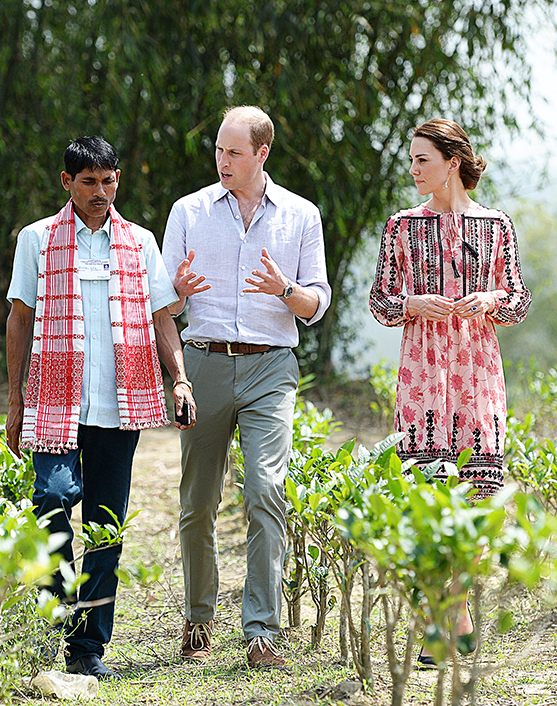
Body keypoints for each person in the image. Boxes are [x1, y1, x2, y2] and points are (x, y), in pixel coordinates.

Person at [5, 136, 196, 680]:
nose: (101, 192)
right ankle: (51, 626)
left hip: (120, 405)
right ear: (66, 182)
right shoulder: (37, 240)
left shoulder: (139, 242)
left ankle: (88, 647)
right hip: (53, 400)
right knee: (54, 500)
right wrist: (14, 400)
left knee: (107, 526)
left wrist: (178, 379)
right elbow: (19, 318)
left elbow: (162, 316)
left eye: (109, 181)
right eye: (89, 182)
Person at [161, 105, 331, 670]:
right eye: (217, 150)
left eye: (234, 152)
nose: (222, 161)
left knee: (265, 489)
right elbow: (165, 307)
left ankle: (261, 630)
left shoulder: (302, 217)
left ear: (262, 153)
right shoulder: (187, 212)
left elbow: (315, 306)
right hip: (205, 363)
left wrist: (286, 289)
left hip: (270, 368)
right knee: (198, 502)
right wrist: (179, 292)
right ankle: (198, 618)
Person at [369, 117, 531, 665]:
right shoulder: (400, 227)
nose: (413, 169)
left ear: (452, 162)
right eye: (412, 160)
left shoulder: (497, 225)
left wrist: (490, 300)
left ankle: (453, 613)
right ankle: (444, 623)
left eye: (422, 160)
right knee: (425, 492)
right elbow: (381, 301)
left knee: (476, 492)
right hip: (422, 371)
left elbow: (519, 301)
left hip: (476, 371)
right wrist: (412, 303)